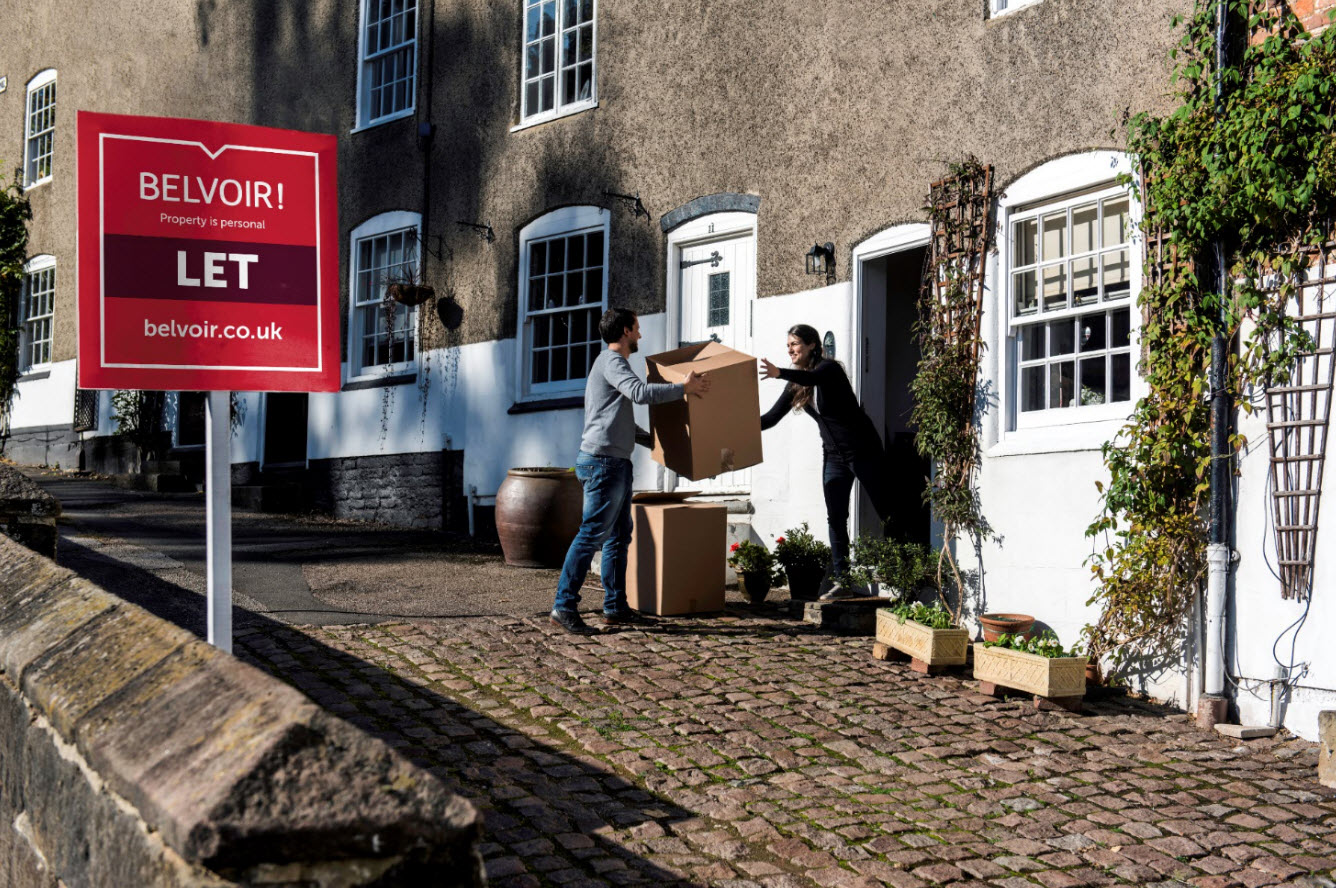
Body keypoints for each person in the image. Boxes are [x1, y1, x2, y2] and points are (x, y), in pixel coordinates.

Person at [550, 307, 711, 633]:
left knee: (618, 537)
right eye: (636, 328)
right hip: (603, 464)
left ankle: (615, 607)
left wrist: (659, 442)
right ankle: (563, 606)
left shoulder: (611, 364)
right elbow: (639, 393)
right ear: (625, 331)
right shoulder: (612, 361)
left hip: (613, 462)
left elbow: (617, 420)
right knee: (591, 536)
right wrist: (684, 387)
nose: (640, 334)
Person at [759, 323, 894, 600]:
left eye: (795, 344)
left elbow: (812, 378)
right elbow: (771, 418)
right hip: (834, 456)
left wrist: (778, 372)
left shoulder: (829, 369)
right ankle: (843, 582)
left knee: (885, 509)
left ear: (812, 345)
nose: (790, 350)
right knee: (836, 517)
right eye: (788, 346)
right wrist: (737, 425)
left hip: (862, 450)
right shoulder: (797, 383)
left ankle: (904, 570)